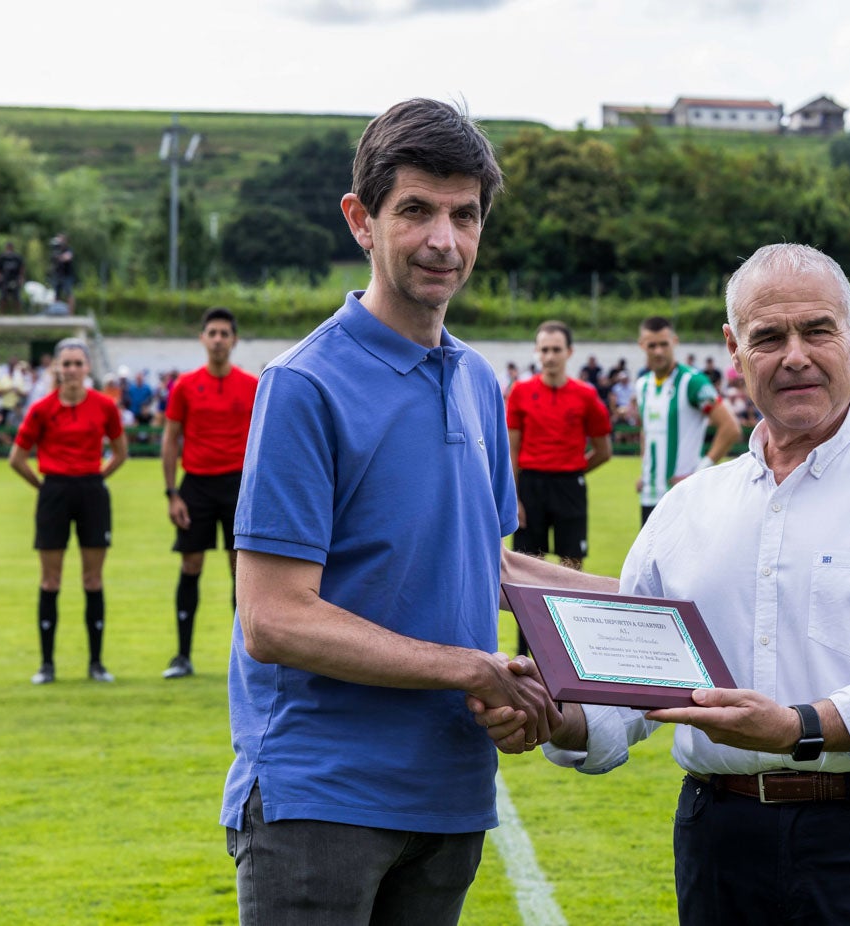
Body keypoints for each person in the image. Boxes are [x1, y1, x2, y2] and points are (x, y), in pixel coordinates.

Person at [474, 243, 850, 924]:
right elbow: (629, 687)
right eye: (768, 336)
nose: (795, 355)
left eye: (817, 330)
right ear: (733, 349)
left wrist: (797, 728)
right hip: (721, 839)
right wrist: (556, 717)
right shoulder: (689, 505)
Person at [221, 98, 589, 925]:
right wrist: (474, 668)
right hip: (323, 798)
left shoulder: (477, 382)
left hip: (451, 790)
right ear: (362, 219)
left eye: (464, 215)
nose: (443, 241)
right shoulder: (304, 384)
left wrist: (646, 607)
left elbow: (486, 563)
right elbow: (273, 619)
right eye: (416, 210)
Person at [8, 338, 127, 684]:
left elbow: (120, 452)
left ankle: (96, 663)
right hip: (54, 491)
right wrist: (43, 487)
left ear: (88, 367)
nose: (72, 370)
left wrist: (95, 478)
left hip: (91, 491)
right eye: (67, 363)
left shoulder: (104, 407)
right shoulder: (42, 409)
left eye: (78, 363)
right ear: (57, 368)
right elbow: (16, 458)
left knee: (92, 579)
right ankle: (47, 665)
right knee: (51, 579)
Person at [160, 307, 259, 679]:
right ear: (202, 338)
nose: (218, 339)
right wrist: (172, 493)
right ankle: (183, 656)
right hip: (196, 485)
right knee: (191, 565)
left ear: (233, 340)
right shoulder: (185, 386)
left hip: (238, 487)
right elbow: (170, 439)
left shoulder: (251, 385)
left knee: (242, 571)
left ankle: (246, 660)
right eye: (212, 333)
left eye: (224, 333)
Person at [506, 320, 613, 654]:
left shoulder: (585, 395)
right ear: (537, 352)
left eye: (556, 349)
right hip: (531, 487)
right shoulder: (521, 392)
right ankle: (526, 657)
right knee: (525, 576)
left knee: (571, 573)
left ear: (569, 352)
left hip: (569, 487)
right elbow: (512, 451)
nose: (550, 356)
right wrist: (514, 498)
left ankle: (569, 655)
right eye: (544, 349)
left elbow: (604, 450)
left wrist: (575, 469)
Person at [634, 316, 741, 525]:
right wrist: (645, 471)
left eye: (663, 344)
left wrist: (698, 472)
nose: (658, 351)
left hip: (682, 495)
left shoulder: (692, 381)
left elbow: (730, 428)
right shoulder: (642, 385)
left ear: (674, 342)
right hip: (648, 495)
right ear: (642, 346)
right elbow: (647, 432)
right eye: (652, 345)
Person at [0, 241, 26, 313]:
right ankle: (1, 314)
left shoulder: (17, 257)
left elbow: (22, 268)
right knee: (3, 297)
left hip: (14, 280)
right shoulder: (1, 257)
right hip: (4, 280)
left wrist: (21, 277)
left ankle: (18, 314)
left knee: (17, 298)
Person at [49, 233, 77, 312]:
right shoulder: (55, 250)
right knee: (56, 295)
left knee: (69, 294)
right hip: (57, 275)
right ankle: (55, 313)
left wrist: (59, 257)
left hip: (67, 275)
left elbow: (67, 258)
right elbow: (53, 262)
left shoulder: (68, 249)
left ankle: (70, 314)